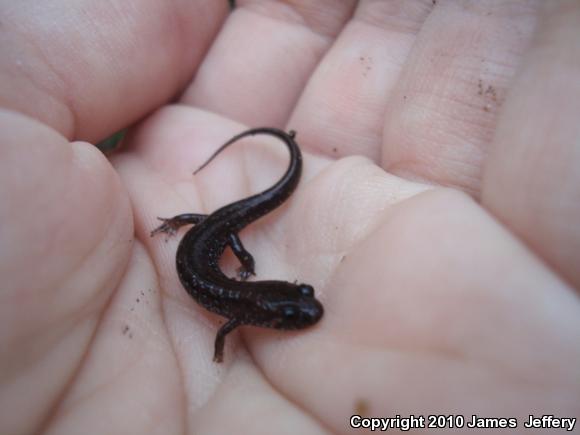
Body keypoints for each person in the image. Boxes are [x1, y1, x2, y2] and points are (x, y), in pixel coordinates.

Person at [1, 1, 578, 434]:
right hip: (207, 229)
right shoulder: (231, 311)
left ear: (267, 306)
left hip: (212, 230)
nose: (301, 309)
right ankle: (250, 180)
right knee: (219, 227)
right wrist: (197, 257)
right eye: (293, 310)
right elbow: (226, 324)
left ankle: (283, 155)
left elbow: (230, 300)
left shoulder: (231, 304)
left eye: (294, 303)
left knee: (226, 225)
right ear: (262, 314)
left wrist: (226, 255)